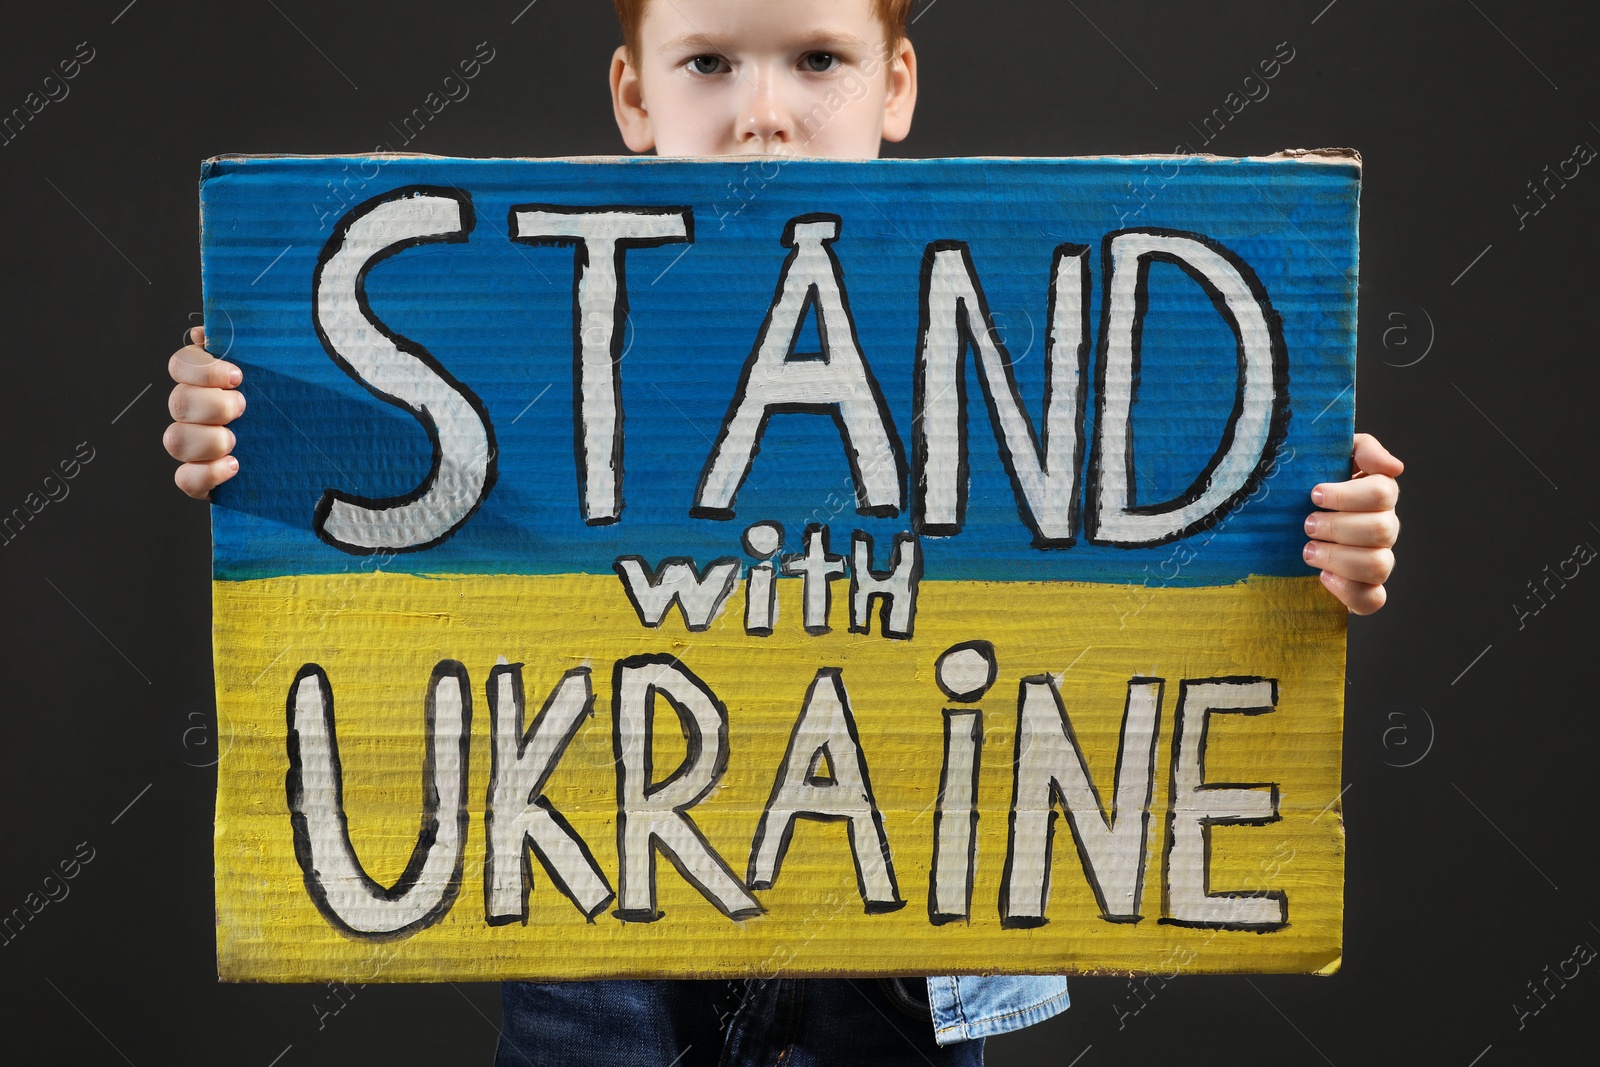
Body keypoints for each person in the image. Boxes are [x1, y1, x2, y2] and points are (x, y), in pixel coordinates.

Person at [163, 1, 1403, 1062]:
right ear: (633, 91)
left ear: (895, 81)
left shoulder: (1016, 319)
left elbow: (1154, 507)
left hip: (902, 967)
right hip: (598, 959)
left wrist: (1314, 538)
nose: (762, 111)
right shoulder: (524, 295)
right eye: (709, 62)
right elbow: (432, 500)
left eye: (817, 58)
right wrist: (255, 423)